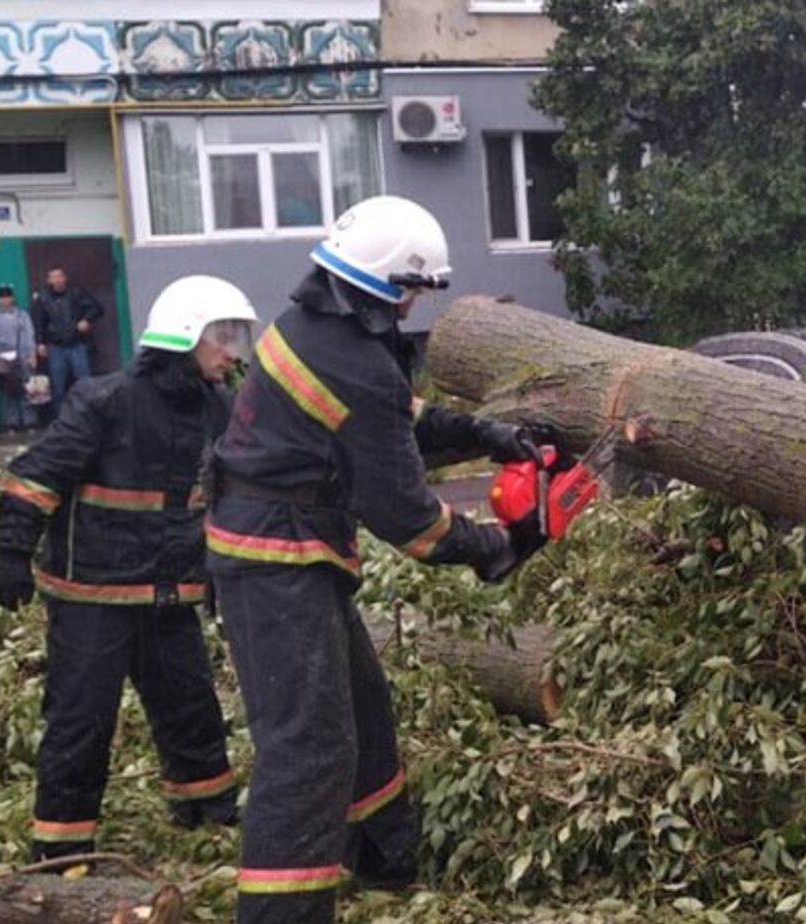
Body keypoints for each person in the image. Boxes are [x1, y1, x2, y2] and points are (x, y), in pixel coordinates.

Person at [204, 195, 554, 924]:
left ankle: (384, 860)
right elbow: (412, 520)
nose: (414, 306)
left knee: (361, 709)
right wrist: (498, 546)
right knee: (307, 748)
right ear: (390, 284)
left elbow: (395, 416)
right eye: (414, 292)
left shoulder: (311, 326)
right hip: (275, 560)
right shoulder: (354, 361)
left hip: (289, 549)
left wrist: (482, 433)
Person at [0, 275, 260, 861]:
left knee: (191, 706)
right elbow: (36, 476)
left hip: (168, 592)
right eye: (223, 337)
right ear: (185, 336)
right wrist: (11, 553)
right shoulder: (104, 400)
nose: (233, 353)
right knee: (81, 719)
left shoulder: (219, 407)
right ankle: (62, 847)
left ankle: (205, 813)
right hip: (94, 596)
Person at [30, 267, 106, 420]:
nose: (57, 280)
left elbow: (97, 308)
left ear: (65, 278)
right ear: (49, 280)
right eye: (54, 277)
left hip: (77, 342)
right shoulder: (42, 298)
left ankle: (90, 416)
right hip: (55, 345)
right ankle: (61, 419)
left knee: (85, 382)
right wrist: (40, 343)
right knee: (57, 385)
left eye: (60, 276)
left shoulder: (77, 292)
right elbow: (38, 322)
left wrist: (87, 320)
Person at [0, 285, 40, 432]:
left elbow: (29, 335)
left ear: (12, 299)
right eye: (1, 298)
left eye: (7, 297)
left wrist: (32, 354)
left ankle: (30, 422)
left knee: (27, 389)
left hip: (23, 357)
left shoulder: (22, 315)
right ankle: (11, 424)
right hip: (3, 360)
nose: (4, 301)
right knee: (8, 391)